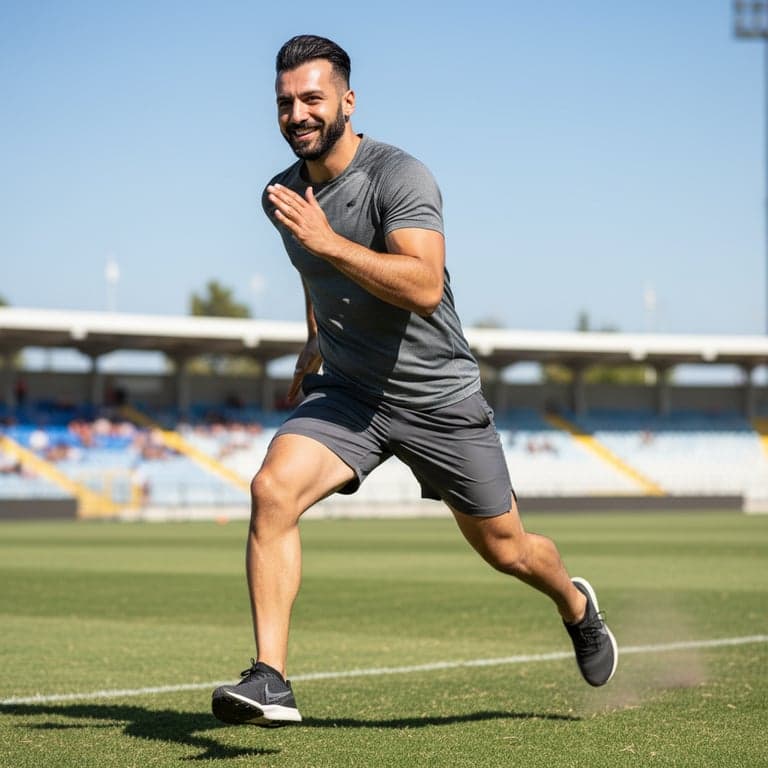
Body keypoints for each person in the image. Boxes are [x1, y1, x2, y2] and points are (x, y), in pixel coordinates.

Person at [212, 34, 617, 727]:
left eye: (311, 98)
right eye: (284, 102)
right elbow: (315, 270)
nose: (297, 113)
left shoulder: (400, 177)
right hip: (350, 395)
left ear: (347, 99)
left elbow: (424, 286)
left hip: (438, 399)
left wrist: (328, 242)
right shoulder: (281, 195)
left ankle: (577, 607)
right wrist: (314, 339)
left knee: (508, 549)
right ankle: (271, 678)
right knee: (271, 490)